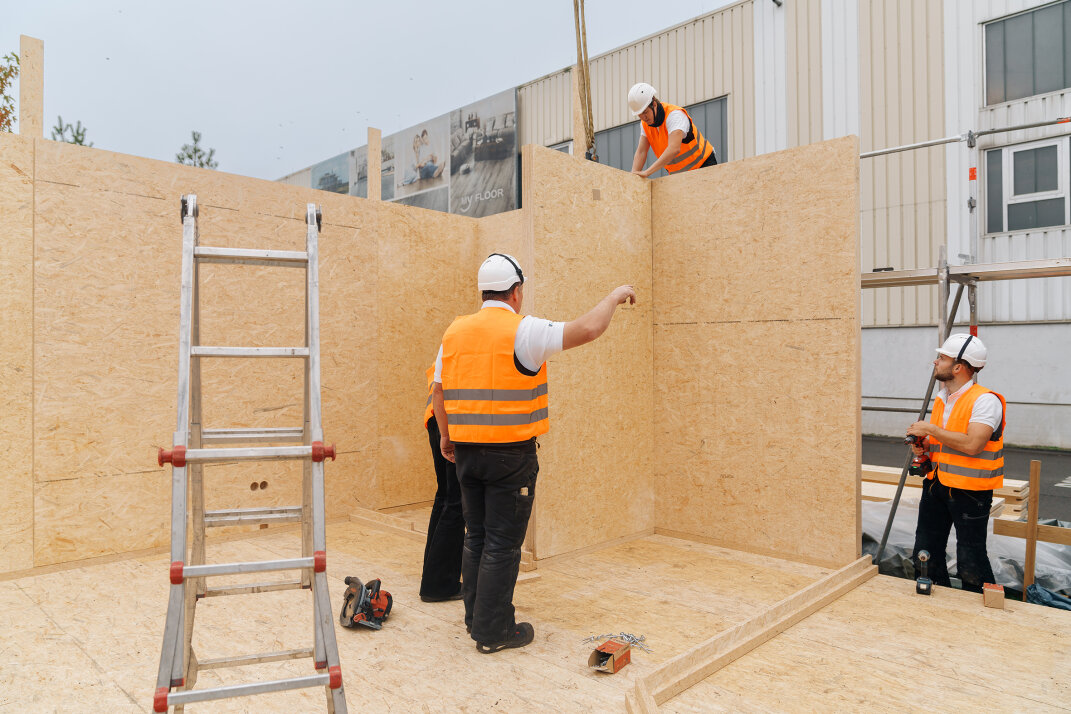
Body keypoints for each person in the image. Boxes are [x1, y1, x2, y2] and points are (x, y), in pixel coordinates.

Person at [431, 253, 635, 653]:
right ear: (516, 292)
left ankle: (476, 618)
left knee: (477, 536)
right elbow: (588, 329)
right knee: (502, 544)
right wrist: (613, 296)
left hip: (467, 454)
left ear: (483, 291)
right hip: (510, 457)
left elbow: (437, 391)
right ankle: (493, 632)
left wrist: (446, 438)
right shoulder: (523, 331)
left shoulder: (455, 333)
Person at [906, 333, 1006, 593]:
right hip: (936, 484)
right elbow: (949, 440)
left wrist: (931, 429)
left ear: (959, 367)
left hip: (970, 492)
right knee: (925, 553)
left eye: (942, 358)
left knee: (970, 559)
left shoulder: (985, 400)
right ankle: (938, 605)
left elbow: (973, 444)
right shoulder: (943, 398)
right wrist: (927, 445)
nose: (935, 362)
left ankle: (983, 613)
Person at [418, 364, 465, 602]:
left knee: (446, 498)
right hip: (451, 422)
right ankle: (439, 585)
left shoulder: (453, 337)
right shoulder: (467, 338)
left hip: (437, 418)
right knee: (456, 503)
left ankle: (433, 578)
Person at [627, 82, 717, 178]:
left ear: (654, 104)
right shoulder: (645, 124)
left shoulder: (674, 115)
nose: (643, 117)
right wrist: (633, 176)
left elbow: (674, 149)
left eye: (645, 112)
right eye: (639, 114)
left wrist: (647, 172)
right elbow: (641, 151)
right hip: (679, 176)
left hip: (703, 166)